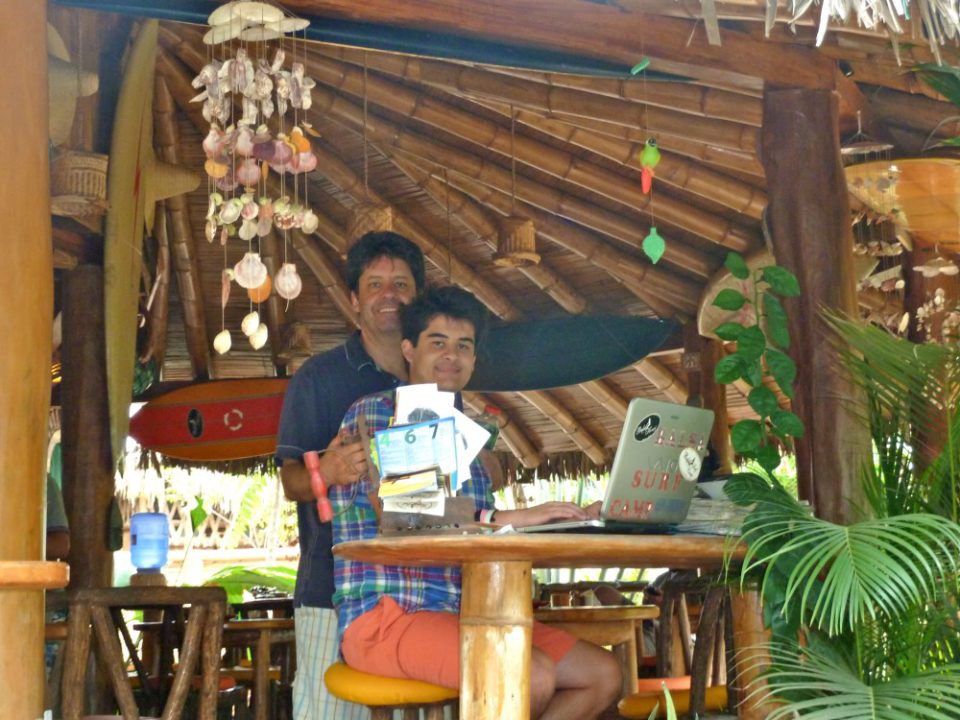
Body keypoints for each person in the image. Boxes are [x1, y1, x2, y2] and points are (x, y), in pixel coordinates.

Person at [332, 286, 623, 720]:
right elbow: (400, 514)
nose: (452, 355)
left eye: (463, 346)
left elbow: (480, 523)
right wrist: (515, 518)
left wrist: (557, 517)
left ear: (473, 359)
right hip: (386, 616)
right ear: (408, 349)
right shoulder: (372, 414)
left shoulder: (469, 434)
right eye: (438, 343)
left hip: (466, 613)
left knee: (603, 673)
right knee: (533, 676)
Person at [275, 230, 426, 720]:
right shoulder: (318, 379)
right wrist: (329, 470)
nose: (390, 295)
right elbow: (291, 482)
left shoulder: (437, 381)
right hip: (331, 591)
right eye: (376, 284)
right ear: (354, 300)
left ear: (417, 297)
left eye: (401, 284)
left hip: (425, 589)